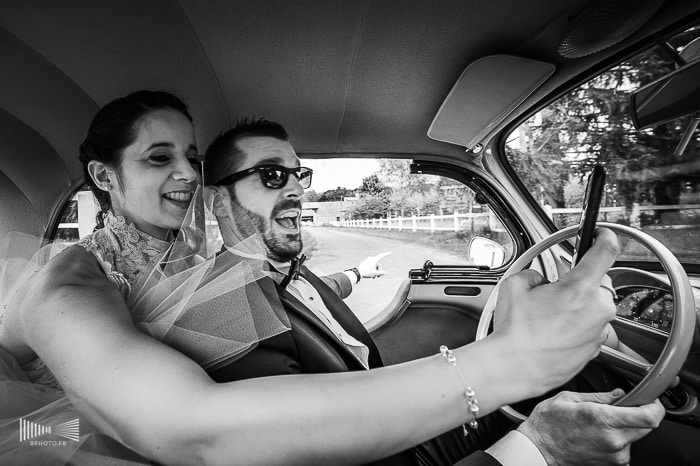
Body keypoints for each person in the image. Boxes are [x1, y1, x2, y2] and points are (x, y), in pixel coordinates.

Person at [0, 91, 660, 466]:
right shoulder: (70, 283)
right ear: (103, 178)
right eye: (157, 158)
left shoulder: (205, 266)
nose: (185, 176)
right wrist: (511, 366)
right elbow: (192, 428)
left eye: (191, 157)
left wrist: (357, 279)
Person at [202, 117, 665, 466]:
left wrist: (359, 274)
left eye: (297, 175)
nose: (296, 192)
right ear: (218, 200)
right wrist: (541, 446)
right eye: (271, 176)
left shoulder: (287, 270)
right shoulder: (226, 320)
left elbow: (319, 296)